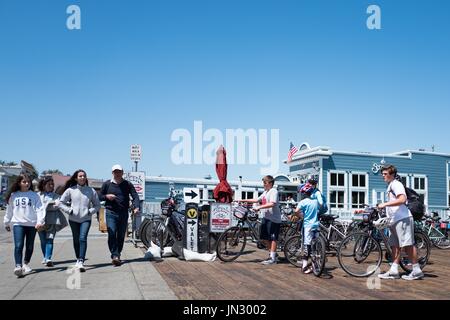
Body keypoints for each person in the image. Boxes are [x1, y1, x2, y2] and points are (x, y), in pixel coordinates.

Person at [377, 165, 424, 280]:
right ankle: (394, 270)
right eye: (382, 174)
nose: (383, 176)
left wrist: (385, 204)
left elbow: (402, 199)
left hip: (403, 219)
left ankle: (417, 271)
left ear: (392, 174)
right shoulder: (391, 186)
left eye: (385, 174)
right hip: (395, 220)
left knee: (407, 245)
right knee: (395, 246)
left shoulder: (396, 184)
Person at [58, 169, 100, 272]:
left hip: (86, 219)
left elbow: (97, 205)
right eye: (80, 176)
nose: (82, 177)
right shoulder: (70, 190)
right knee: (76, 240)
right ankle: (78, 259)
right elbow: (61, 203)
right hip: (73, 219)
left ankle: (81, 261)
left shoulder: (91, 190)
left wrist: (90, 211)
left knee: (82, 238)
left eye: (84, 176)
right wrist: (69, 210)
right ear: (76, 178)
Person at [3, 174, 45, 277]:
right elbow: (9, 210)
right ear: (19, 183)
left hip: (32, 224)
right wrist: (6, 222)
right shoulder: (14, 195)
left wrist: (40, 221)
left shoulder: (34, 195)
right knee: (18, 245)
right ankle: (18, 266)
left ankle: (25, 264)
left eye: (28, 182)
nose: (27, 184)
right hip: (18, 223)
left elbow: (40, 209)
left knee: (29, 246)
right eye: (24, 182)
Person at [99, 165, 140, 266]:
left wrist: (136, 207)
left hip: (123, 213)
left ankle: (118, 254)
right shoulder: (107, 184)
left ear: (122, 172)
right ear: (112, 173)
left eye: (119, 171)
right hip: (110, 212)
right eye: (115, 172)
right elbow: (99, 196)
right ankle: (115, 255)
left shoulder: (127, 184)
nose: (117, 173)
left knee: (121, 235)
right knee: (112, 233)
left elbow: (135, 195)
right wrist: (107, 197)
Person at [240, 175, 281, 265]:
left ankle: (272, 258)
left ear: (270, 183)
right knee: (264, 238)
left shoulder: (274, 191)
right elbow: (256, 199)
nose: (263, 185)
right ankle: (273, 255)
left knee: (273, 238)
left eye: (265, 183)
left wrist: (259, 207)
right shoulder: (266, 192)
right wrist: (242, 200)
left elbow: (272, 203)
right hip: (266, 217)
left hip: (274, 219)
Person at [37, 176, 68, 267]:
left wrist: (48, 207)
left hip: (52, 221)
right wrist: (50, 206)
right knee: (43, 241)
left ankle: (48, 258)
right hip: (40, 221)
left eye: (52, 184)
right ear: (43, 185)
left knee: (50, 239)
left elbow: (57, 207)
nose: (51, 186)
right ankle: (45, 257)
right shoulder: (38, 195)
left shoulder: (57, 196)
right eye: (49, 184)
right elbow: (36, 208)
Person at [293, 182, 319, 274]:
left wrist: (301, 216)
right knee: (315, 245)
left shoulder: (303, 202)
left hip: (307, 225)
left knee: (307, 245)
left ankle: (304, 266)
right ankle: (314, 263)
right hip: (316, 225)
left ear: (304, 193)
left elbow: (296, 211)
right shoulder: (316, 201)